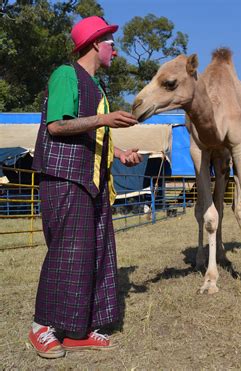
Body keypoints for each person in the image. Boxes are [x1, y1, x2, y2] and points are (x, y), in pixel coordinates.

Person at [28, 16, 143, 359]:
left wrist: (119, 153)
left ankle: (77, 332)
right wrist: (105, 119)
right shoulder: (66, 75)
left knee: (94, 254)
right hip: (64, 179)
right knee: (68, 253)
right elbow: (57, 126)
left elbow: (90, 136)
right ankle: (42, 328)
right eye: (111, 43)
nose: (116, 51)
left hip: (91, 183)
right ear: (95, 44)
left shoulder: (96, 87)